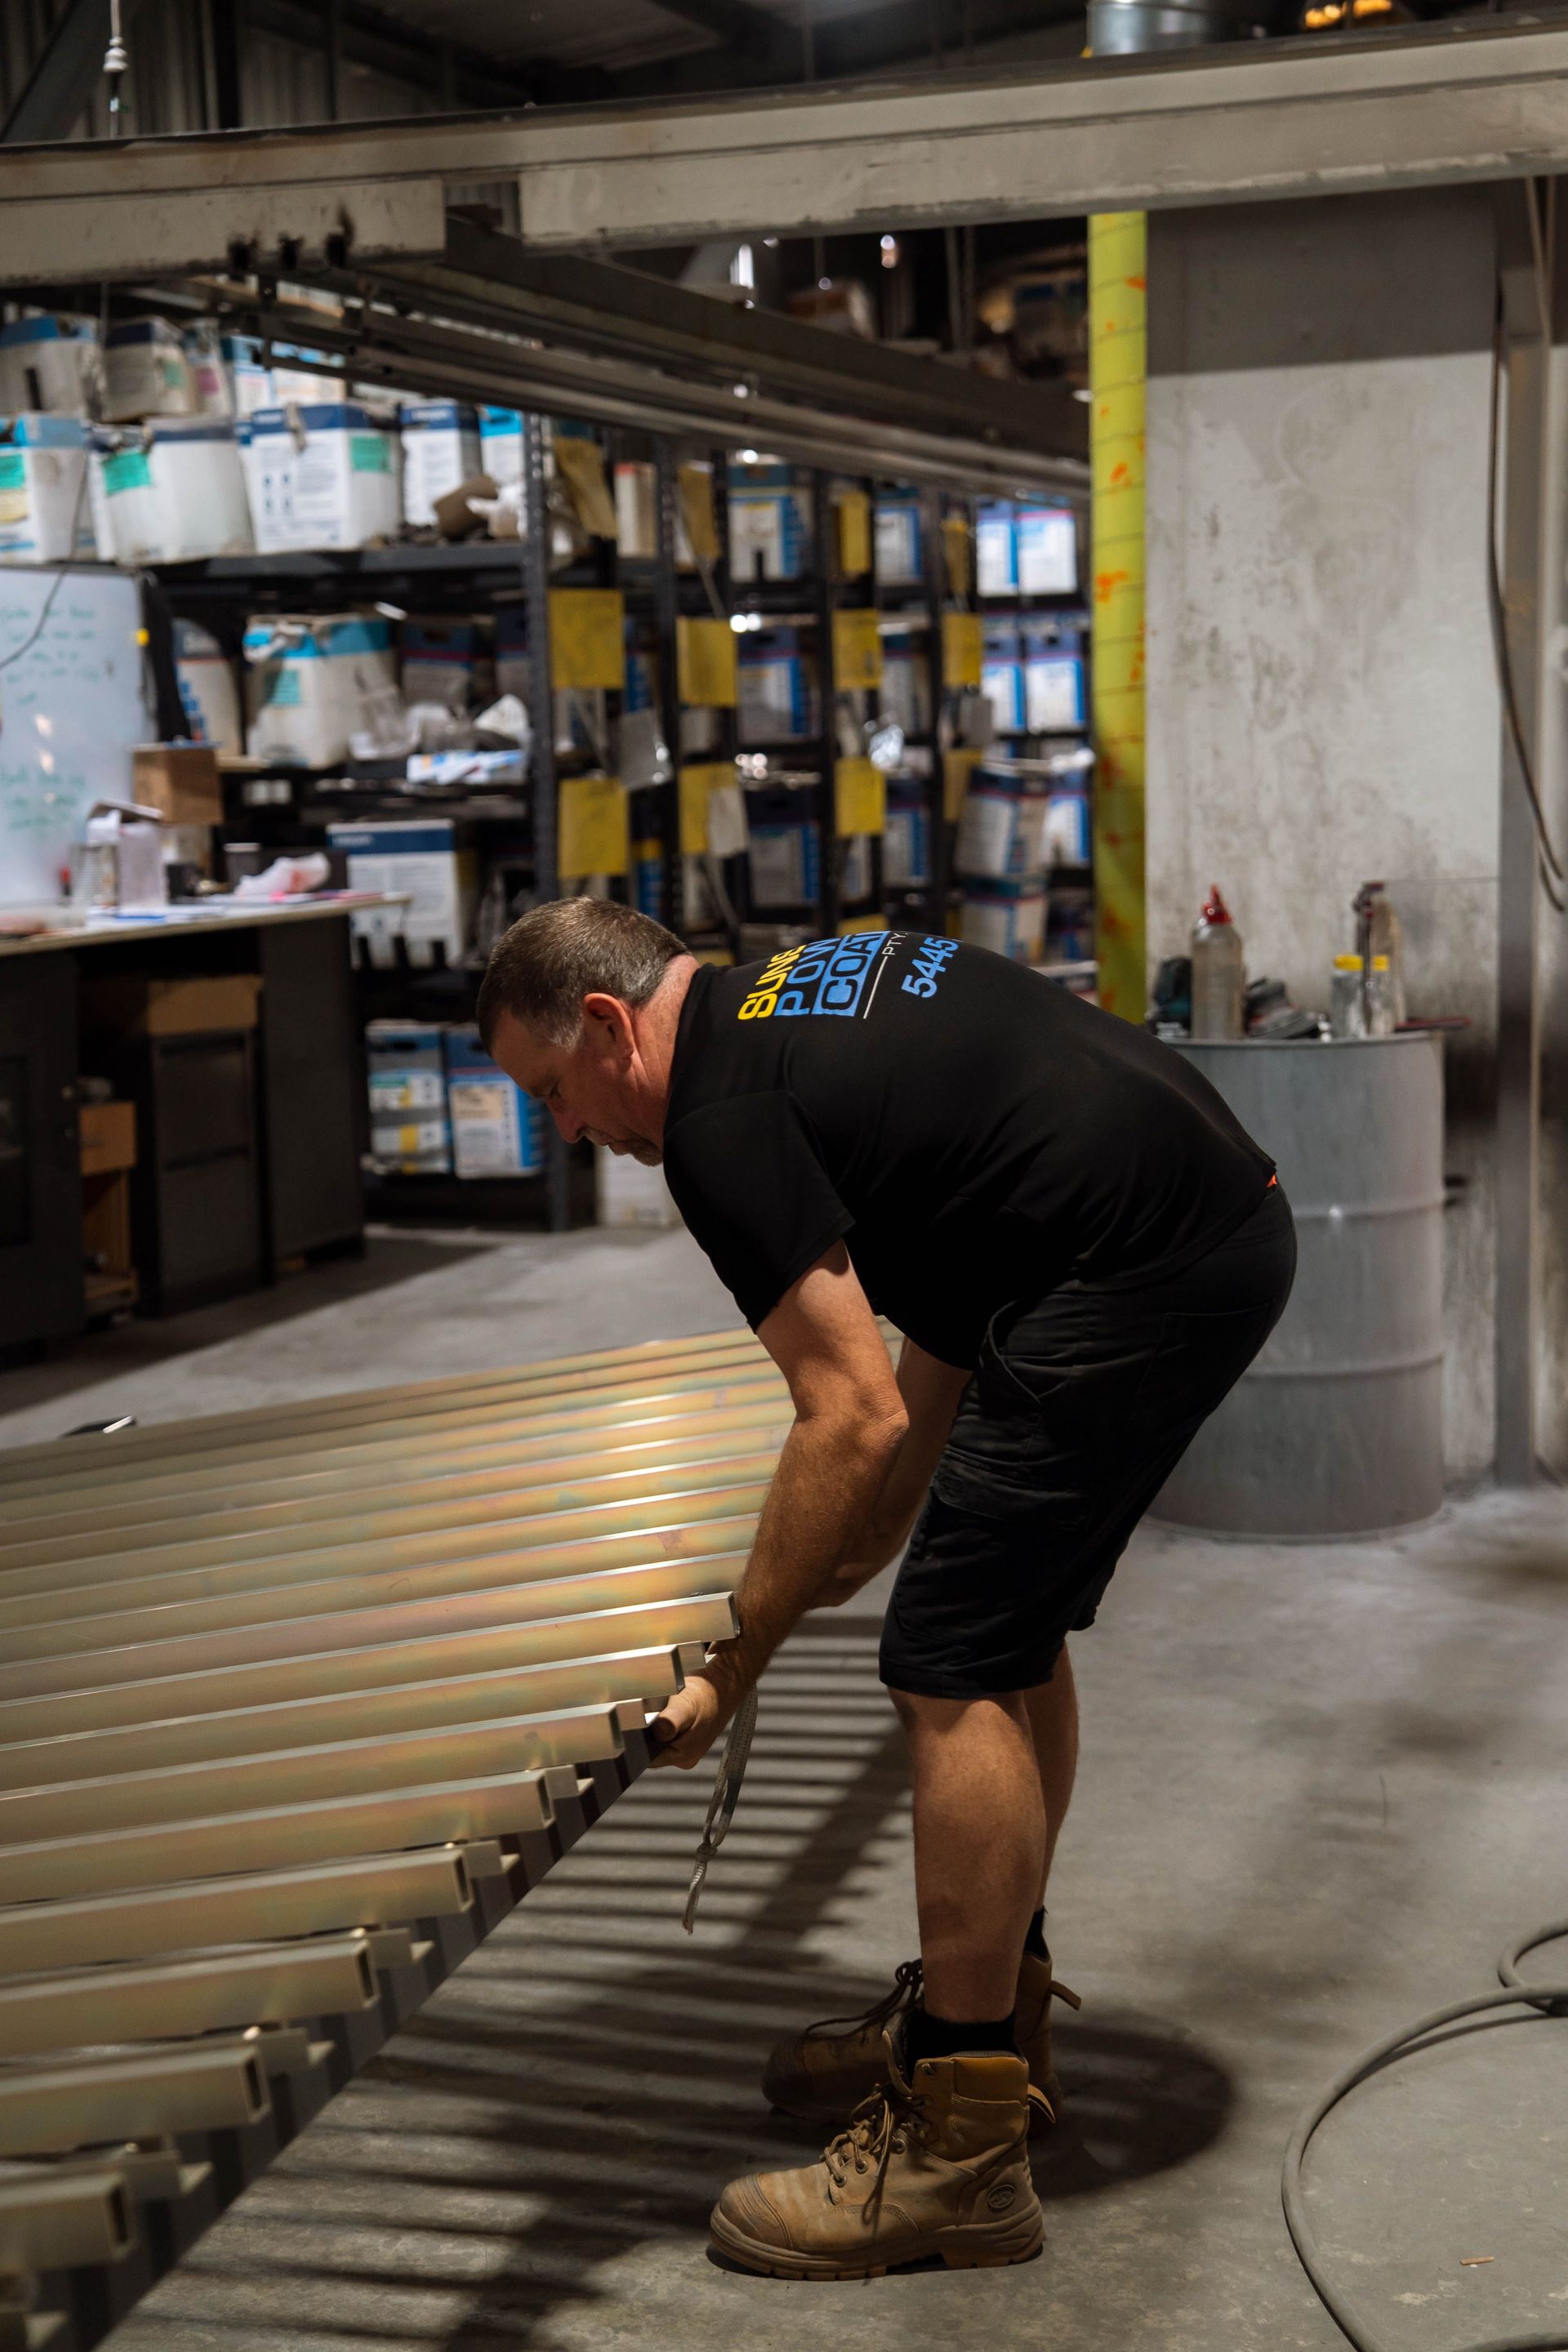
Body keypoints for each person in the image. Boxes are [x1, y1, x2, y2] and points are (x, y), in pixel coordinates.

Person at [480, 898, 1296, 2283]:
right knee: (991, 1622)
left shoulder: (720, 1125)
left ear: (613, 1025)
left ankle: (961, 2146)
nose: (567, 1130)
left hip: (1143, 1266)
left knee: (951, 1656)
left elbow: (842, 1410)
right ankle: (992, 2016)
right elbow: (949, 1304)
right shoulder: (794, 1003)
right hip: (1185, 1226)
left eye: (555, 1090)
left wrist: (737, 1654)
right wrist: (874, 1530)